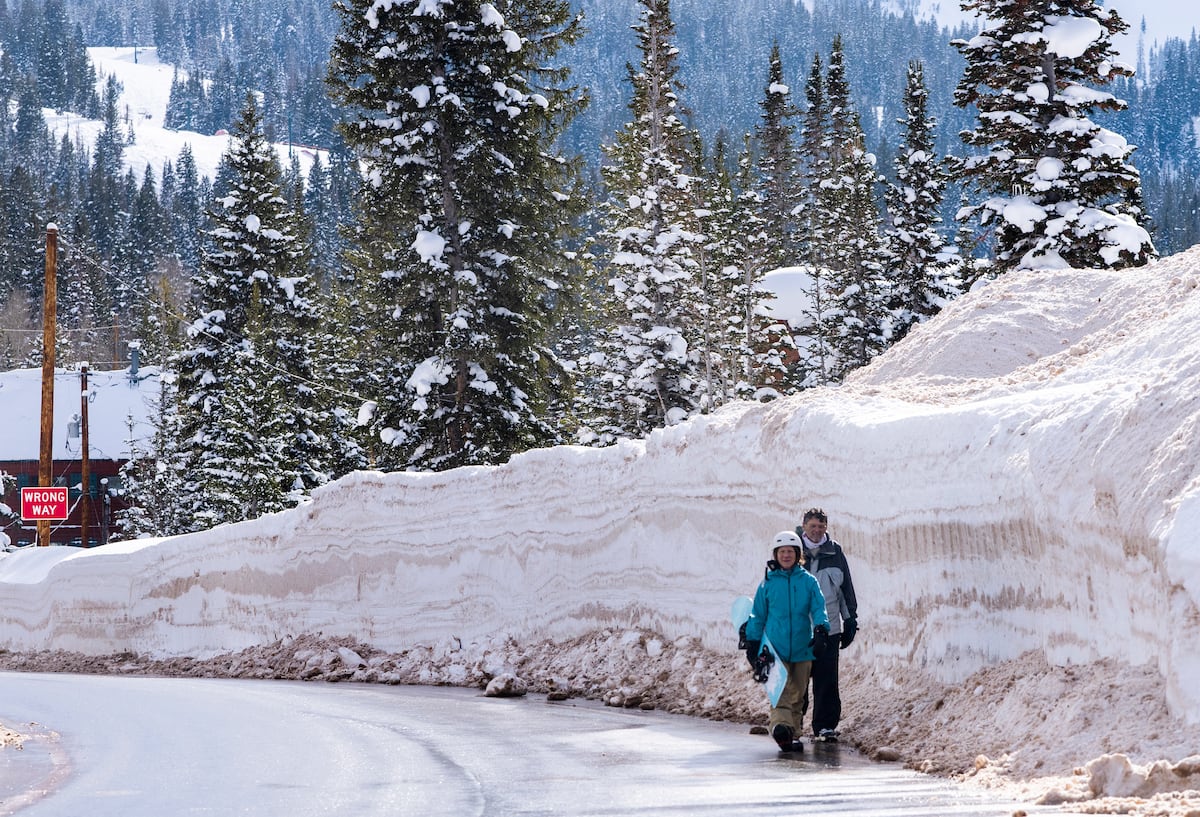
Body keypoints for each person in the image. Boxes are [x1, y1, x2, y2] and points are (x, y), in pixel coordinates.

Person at [743, 530, 831, 751]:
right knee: (780, 691)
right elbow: (757, 615)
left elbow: (819, 608)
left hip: (803, 647)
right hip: (774, 648)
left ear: (798, 554)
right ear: (775, 554)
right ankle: (781, 728)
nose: (786, 555)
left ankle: (793, 734)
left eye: (790, 551)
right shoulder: (767, 583)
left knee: (798, 694)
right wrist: (752, 642)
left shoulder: (809, 582)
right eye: (782, 552)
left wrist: (821, 629)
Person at [796, 508, 859, 741]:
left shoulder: (835, 552)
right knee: (798, 678)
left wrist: (850, 618)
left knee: (827, 679)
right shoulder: (792, 550)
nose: (816, 530)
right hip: (801, 629)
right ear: (804, 526)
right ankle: (793, 723)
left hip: (830, 627)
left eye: (821, 526)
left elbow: (845, 589)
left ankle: (825, 726)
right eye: (812, 526)